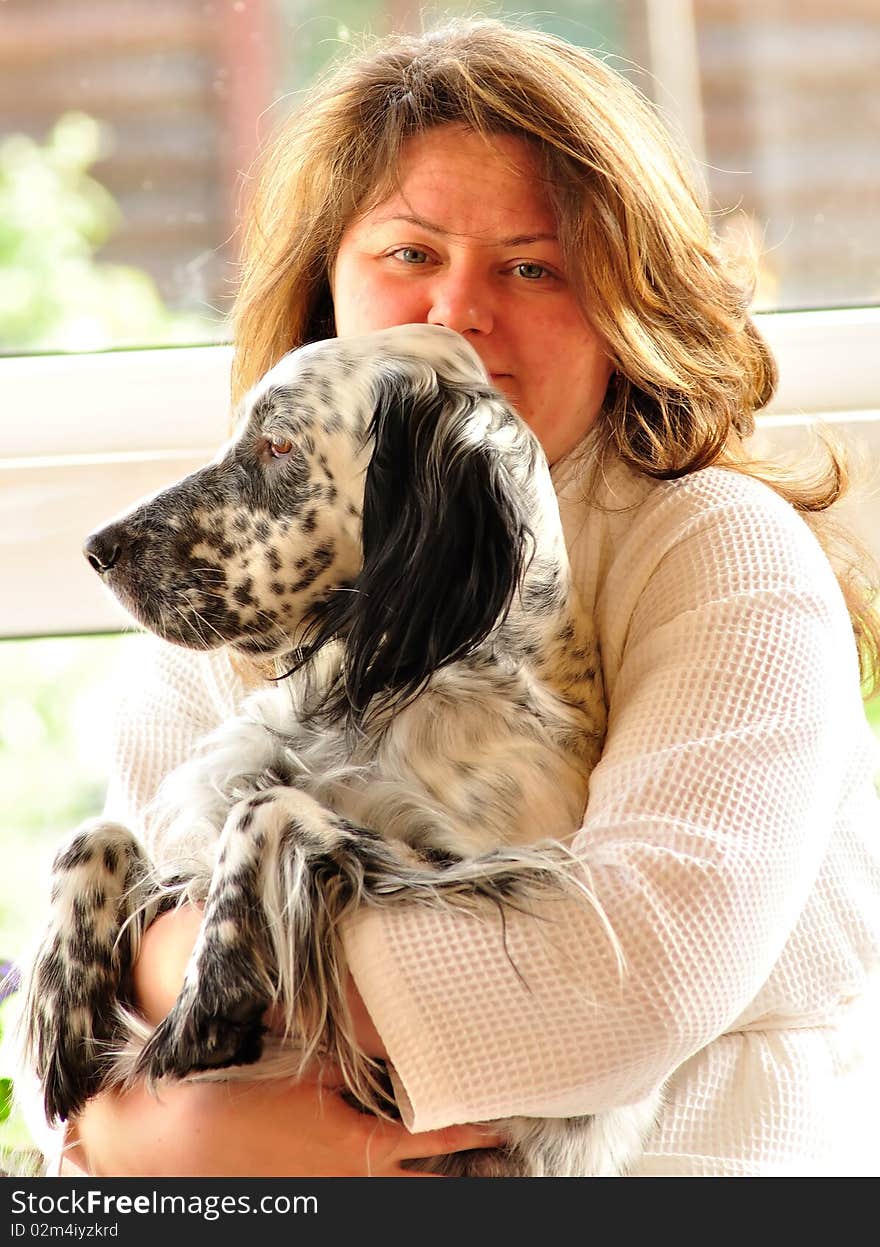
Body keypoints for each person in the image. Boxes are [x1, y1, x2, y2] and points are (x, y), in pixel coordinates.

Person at [48, 17, 880, 1176]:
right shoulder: (250, 580)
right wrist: (128, 1125)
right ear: (327, 287)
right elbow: (82, 1020)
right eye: (407, 254)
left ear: (624, 309)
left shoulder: (725, 558)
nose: (457, 312)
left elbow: (631, 974)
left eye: (532, 266)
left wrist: (194, 1018)